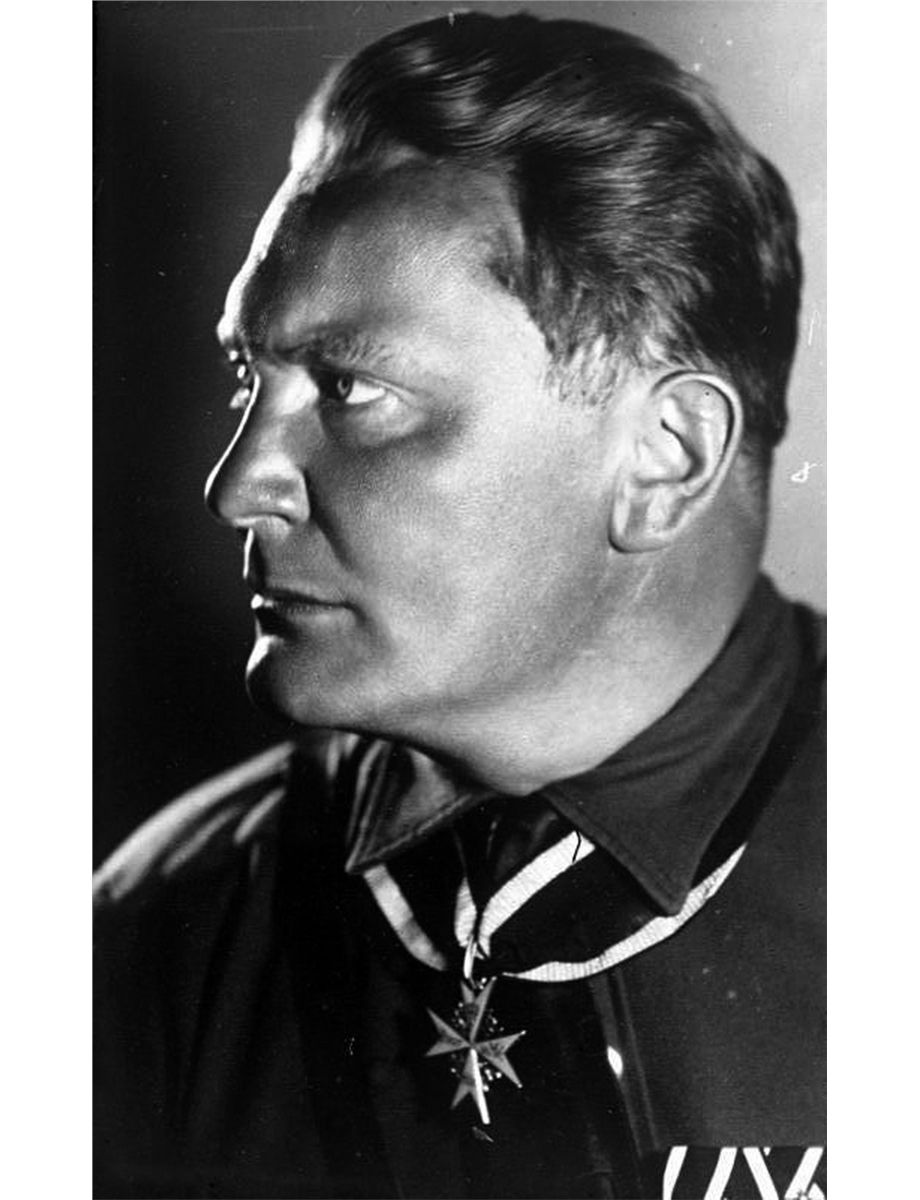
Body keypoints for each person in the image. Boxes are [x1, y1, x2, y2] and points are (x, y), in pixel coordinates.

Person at [93, 12, 825, 1199]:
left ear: (664, 458)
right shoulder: (160, 931)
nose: (237, 485)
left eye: (350, 388)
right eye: (246, 378)